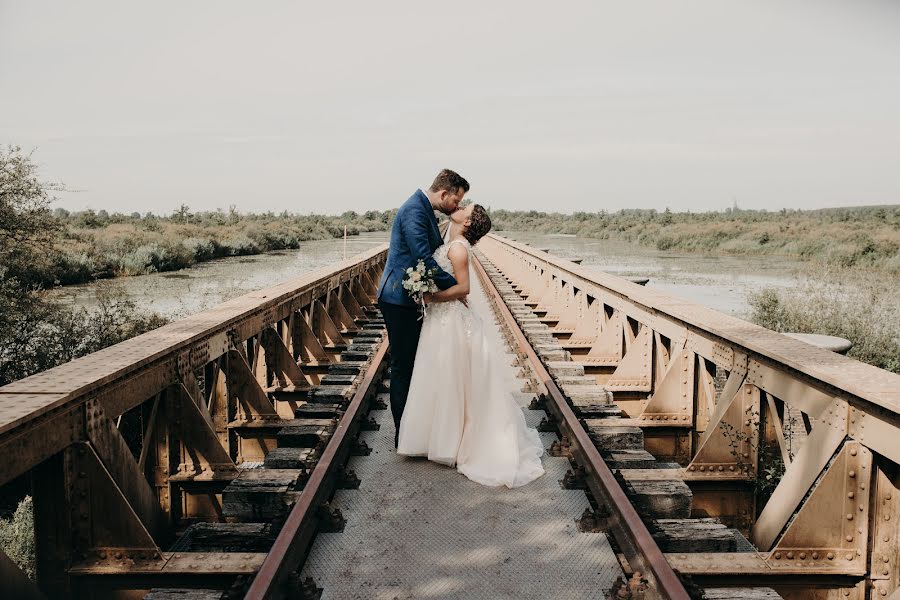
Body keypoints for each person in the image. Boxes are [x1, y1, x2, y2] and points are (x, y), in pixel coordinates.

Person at [397, 203, 545, 488]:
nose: (461, 206)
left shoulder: (458, 248)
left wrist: (430, 298)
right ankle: (437, 439)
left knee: (452, 377)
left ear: (467, 221)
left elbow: (464, 289)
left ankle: (452, 443)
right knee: (439, 375)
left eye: (467, 207)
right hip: (442, 319)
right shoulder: (451, 243)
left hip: (450, 319)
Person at [376, 169, 469, 447]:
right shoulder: (415, 210)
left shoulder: (424, 208)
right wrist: (455, 288)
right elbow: (424, 259)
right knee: (403, 366)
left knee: (416, 364)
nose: (458, 206)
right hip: (398, 300)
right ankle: (402, 436)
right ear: (444, 193)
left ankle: (415, 431)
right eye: (457, 200)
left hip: (409, 298)